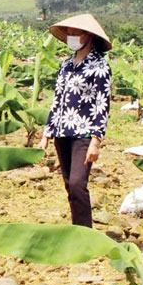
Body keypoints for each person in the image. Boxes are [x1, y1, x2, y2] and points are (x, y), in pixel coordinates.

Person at [38, 14, 112, 228]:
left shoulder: (99, 66)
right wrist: (46, 133)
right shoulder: (65, 65)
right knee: (70, 184)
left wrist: (96, 140)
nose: (71, 36)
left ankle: (85, 234)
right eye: (69, 32)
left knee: (79, 184)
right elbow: (57, 100)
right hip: (62, 132)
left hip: (84, 134)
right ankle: (76, 229)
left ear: (88, 36)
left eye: (75, 32)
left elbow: (102, 104)